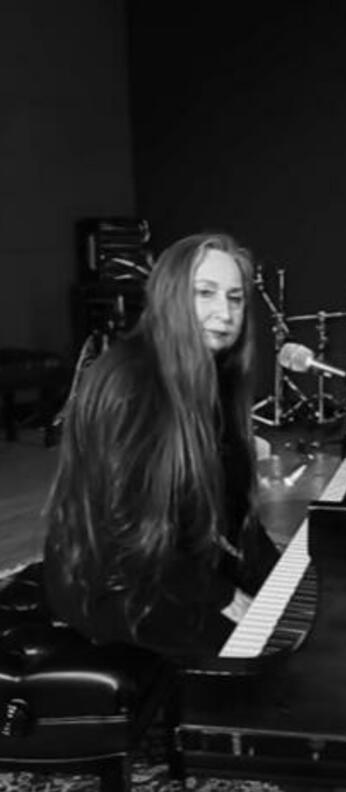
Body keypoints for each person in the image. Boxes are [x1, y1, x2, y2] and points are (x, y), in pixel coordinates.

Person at [43, 232, 280, 660]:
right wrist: (222, 595)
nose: (225, 312)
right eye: (205, 293)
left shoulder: (214, 376)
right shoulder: (129, 381)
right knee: (256, 656)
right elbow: (124, 530)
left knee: (279, 629)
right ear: (171, 297)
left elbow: (232, 511)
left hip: (168, 558)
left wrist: (282, 582)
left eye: (235, 298)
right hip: (112, 578)